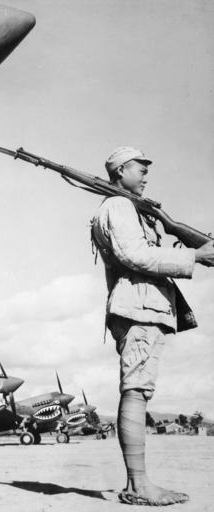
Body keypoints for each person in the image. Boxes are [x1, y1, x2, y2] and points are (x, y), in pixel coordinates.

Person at [90, 146, 214, 506]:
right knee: (136, 390)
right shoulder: (119, 206)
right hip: (139, 308)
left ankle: (139, 483)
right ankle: (138, 486)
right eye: (140, 169)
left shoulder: (130, 207)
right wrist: (194, 255)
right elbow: (136, 256)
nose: (146, 175)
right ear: (120, 171)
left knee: (139, 390)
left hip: (143, 307)